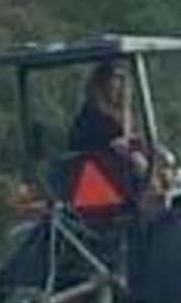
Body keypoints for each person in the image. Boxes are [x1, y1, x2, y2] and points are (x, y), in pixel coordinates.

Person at [57, 47, 153, 216]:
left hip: (108, 180)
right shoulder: (91, 119)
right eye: (116, 79)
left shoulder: (115, 117)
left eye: (123, 80)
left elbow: (126, 141)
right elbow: (115, 144)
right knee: (140, 167)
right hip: (97, 184)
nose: (120, 86)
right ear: (101, 84)